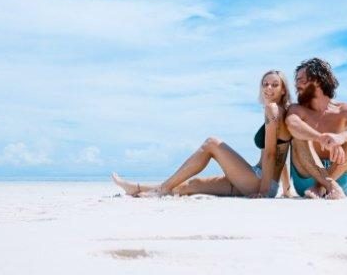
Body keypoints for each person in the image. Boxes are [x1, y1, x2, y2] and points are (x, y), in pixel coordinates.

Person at [112, 70, 294, 198]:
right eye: (265, 84)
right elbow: (282, 153)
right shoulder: (283, 112)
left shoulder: (272, 110)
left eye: (274, 85)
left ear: (283, 89)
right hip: (264, 181)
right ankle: (136, 188)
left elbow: (271, 154)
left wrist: (263, 192)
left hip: (259, 181)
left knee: (212, 143)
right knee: (193, 185)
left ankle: (162, 189)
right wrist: (284, 189)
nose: (268, 88)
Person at [286, 58, 347, 199]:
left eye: (302, 80)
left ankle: (322, 185)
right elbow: (292, 124)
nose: (297, 84)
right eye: (296, 80)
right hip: (308, 177)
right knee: (299, 137)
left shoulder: (343, 109)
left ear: (318, 80)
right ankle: (328, 185)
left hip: (341, 176)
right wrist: (320, 137)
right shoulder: (297, 109)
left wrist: (341, 137)